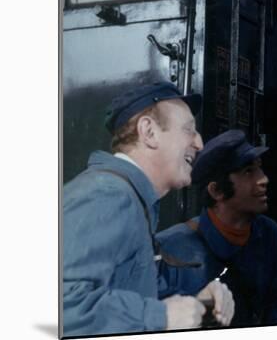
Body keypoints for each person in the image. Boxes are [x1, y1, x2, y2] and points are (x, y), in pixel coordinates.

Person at [63, 82, 235, 337]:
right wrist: (159, 317)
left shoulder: (133, 201)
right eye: (189, 130)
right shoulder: (107, 196)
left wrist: (198, 304)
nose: (199, 143)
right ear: (149, 132)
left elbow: (131, 293)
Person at [156, 130, 277, 325]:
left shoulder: (269, 235)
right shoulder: (170, 250)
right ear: (216, 191)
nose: (264, 179)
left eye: (260, 168)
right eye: (249, 172)